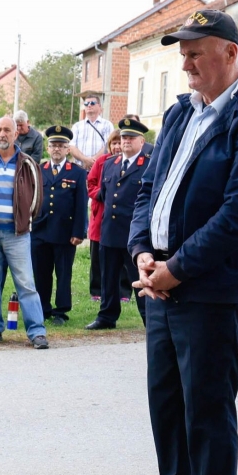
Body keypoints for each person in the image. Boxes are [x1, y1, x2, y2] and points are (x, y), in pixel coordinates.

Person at [103, 10, 238, 475]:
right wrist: (141, 251)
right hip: (160, 284)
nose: (184, 63)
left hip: (206, 289)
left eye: (195, 52)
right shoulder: (182, 112)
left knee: (207, 410)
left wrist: (176, 268)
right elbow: (149, 188)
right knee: (167, 402)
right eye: (181, 53)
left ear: (230, 54)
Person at [0, 116, 48, 349]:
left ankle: (36, 331)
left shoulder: (27, 163)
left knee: (25, 283)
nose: (2, 134)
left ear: (16, 134)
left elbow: (37, 198)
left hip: (17, 234)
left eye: (7, 130)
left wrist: (25, 221)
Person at [86, 118, 152, 330]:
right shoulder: (109, 164)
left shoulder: (149, 164)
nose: (125, 141)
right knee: (108, 277)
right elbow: (105, 196)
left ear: (141, 142)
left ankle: (150, 319)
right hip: (110, 231)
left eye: (131, 138)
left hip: (135, 235)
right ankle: (107, 316)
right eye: (123, 137)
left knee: (139, 279)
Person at [31, 126, 87, 325]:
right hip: (40, 230)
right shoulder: (38, 169)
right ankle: (43, 308)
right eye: (53, 145)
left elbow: (81, 205)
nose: (56, 149)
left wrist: (79, 232)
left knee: (63, 273)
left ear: (67, 149)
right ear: (48, 148)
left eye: (61, 146)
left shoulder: (77, 173)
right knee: (41, 272)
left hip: (65, 232)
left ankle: (61, 311)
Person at [86, 129, 129, 301]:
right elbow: (91, 183)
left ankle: (124, 291)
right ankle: (97, 290)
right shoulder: (102, 162)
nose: (117, 146)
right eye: (114, 143)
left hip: (121, 218)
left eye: (120, 142)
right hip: (101, 215)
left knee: (124, 256)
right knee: (97, 256)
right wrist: (102, 194)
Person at [69, 93, 114, 169]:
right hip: (80, 168)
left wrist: (93, 161)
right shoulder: (77, 126)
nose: (89, 105)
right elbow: (71, 147)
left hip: (101, 168)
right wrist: (85, 159)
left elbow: (108, 145)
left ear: (99, 106)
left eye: (92, 103)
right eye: (86, 104)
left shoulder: (107, 125)